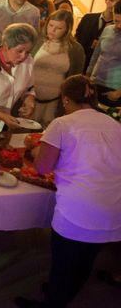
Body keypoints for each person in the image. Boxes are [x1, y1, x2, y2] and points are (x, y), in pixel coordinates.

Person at [15, 75, 121, 308]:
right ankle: (62, 293)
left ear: (65, 100)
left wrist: (34, 154)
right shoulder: (114, 125)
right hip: (114, 211)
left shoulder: (62, 124)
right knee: (85, 262)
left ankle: (54, 301)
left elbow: (43, 167)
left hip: (78, 212)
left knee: (63, 264)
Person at [31, 10, 85, 127]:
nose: (53, 30)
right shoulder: (38, 40)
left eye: (59, 28)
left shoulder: (75, 49)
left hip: (55, 101)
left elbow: (75, 80)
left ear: (67, 29)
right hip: (32, 97)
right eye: (51, 25)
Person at [75, 0, 121, 70]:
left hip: (101, 72)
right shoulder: (88, 18)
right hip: (78, 65)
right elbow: (77, 39)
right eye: (111, 0)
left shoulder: (118, 28)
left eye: (118, 2)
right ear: (106, 0)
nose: (114, 4)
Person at [87, 0, 121, 108]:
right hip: (95, 82)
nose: (119, 25)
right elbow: (96, 55)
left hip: (114, 88)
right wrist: (88, 76)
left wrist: (118, 93)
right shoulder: (107, 30)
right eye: (116, 21)